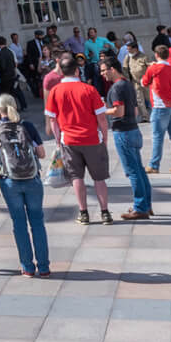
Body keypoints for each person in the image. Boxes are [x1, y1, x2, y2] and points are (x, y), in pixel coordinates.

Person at [0, 95, 50, 276]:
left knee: (19, 223)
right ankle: (44, 266)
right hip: (32, 179)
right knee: (37, 223)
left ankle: (27, 267)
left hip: (10, 181)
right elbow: (41, 153)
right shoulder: (26, 126)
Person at [45, 56, 114, 225]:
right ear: (77, 70)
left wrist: (58, 140)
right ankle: (105, 212)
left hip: (69, 140)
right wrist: (104, 138)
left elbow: (53, 120)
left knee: (77, 178)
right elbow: (102, 118)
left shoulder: (55, 91)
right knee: (99, 178)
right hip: (92, 139)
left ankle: (83, 213)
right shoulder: (89, 89)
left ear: (61, 71)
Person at [101, 61, 152, 220]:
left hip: (123, 132)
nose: (102, 74)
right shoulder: (128, 84)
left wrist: (102, 110)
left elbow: (118, 111)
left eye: (104, 70)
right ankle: (146, 205)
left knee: (133, 172)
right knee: (139, 170)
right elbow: (135, 110)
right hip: (133, 130)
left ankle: (140, 207)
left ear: (112, 69)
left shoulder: (116, 88)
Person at [141, 51, 171, 173]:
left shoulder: (154, 68)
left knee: (157, 137)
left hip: (160, 106)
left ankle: (154, 165)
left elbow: (144, 82)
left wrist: (152, 67)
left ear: (156, 54)